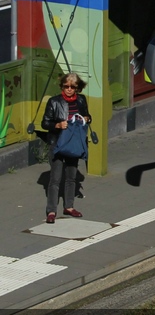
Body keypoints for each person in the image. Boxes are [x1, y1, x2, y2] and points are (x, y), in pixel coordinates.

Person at [41, 72, 92, 224]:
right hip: (57, 143)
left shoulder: (81, 100)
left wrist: (87, 119)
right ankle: (51, 210)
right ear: (62, 86)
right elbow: (45, 123)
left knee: (71, 176)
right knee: (55, 178)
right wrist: (57, 125)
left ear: (77, 88)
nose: (69, 89)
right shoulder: (54, 102)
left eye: (72, 87)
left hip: (73, 143)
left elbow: (88, 116)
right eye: (66, 86)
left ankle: (69, 207)